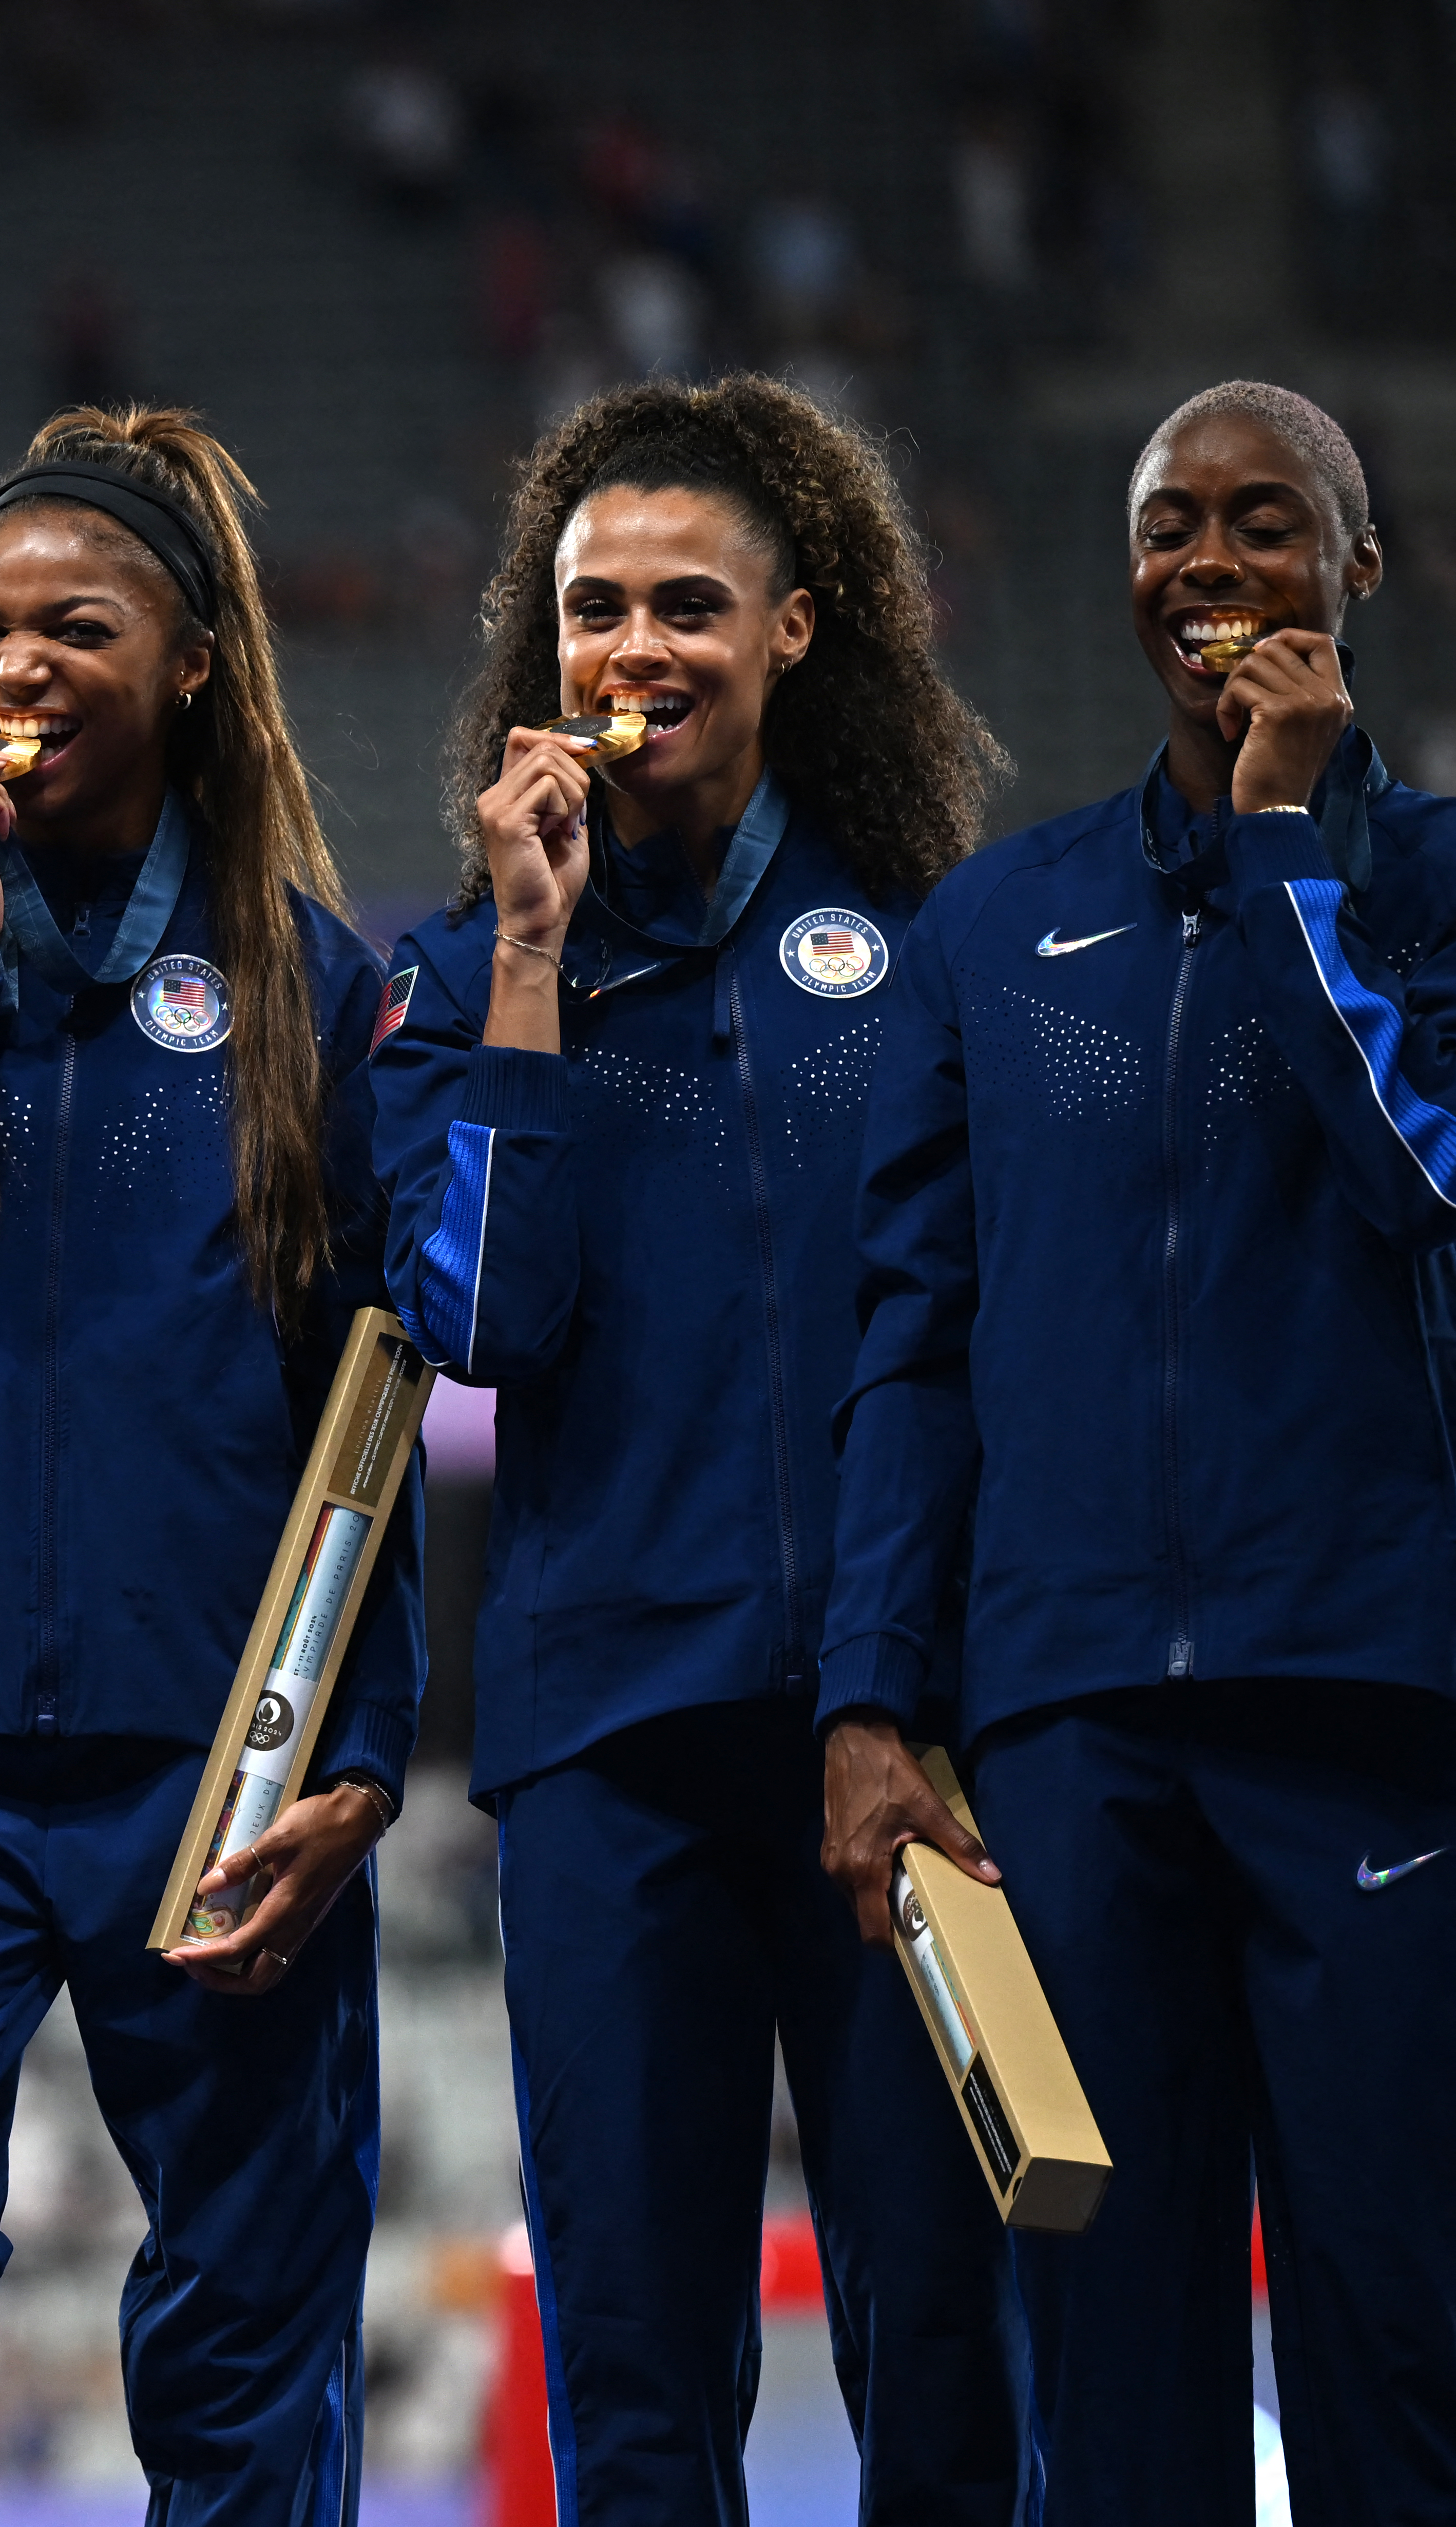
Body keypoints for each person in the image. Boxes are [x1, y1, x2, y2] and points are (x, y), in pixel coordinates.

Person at [0, 407, 419, 2519]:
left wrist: (357, 1755)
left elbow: (368, 1415)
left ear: (195, 661)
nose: (11, 667)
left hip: (213, 1757)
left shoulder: (305, 978)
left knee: (253, 2318)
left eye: (73, 627)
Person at [379, 377, 1024, 2522]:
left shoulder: (932, 947)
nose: (632, 650)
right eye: (589, 609)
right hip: (607, 1764)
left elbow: (976, 1359)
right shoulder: (462, 972)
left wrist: (908, 1690)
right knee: (639, 2389)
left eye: (685, 603)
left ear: (796, 631)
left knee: (943, 2357)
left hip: (899, 1746)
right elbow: (475, 1323)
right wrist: (537, 969)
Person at [822, 381, 1456, 2521]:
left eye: (1263, 525)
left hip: (1370, 1703)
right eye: (1168, 525)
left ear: (1358, 573)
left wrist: (1285, 846)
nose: (1205, 564)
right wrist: (872, 1692)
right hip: (1074, 1727)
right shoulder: (1001, 932)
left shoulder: (1437, 887)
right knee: (1114, 2363)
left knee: (1400, 2323)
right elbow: (914, 1335)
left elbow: (1416, 1179)